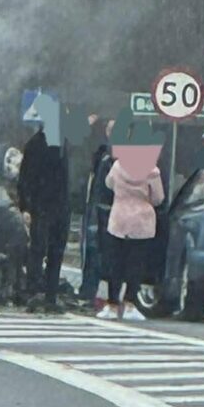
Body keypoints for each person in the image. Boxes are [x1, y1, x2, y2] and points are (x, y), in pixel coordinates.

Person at [98, 151, 165, 321]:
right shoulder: (152, 171)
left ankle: (112, 304)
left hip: (119, 218)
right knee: (136, 263)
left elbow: (108, 184)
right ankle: (129, 304)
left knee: (116, 262)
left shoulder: (117, 166)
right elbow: (158, 198)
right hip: (141, 221)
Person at [17, 120, 71, 313]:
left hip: (61, 206)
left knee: (57, 252)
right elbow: (25, 178)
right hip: (40, 206)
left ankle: (51, 295)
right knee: (38, 249)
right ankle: (34, 292)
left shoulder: (63, 143)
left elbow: (65, 178)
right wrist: (25, 207)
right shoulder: (35, 144)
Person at [79, 119, 115, 303]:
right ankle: (88, 292)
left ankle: (91, 293)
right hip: (97, 210)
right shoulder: (102, 155)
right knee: (94, 253)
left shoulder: (112, 158)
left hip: (107, 212)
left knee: (99, 254)